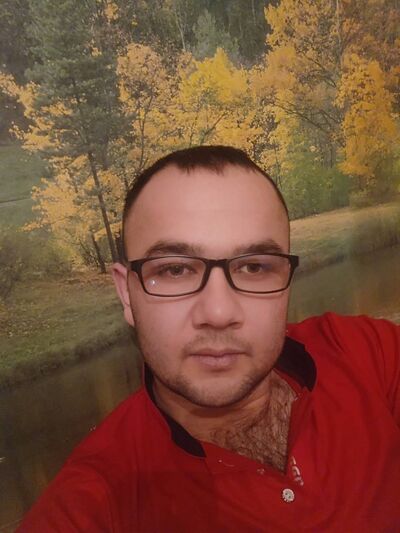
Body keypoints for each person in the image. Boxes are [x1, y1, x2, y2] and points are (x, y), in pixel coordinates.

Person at [19, 145, 400, 532]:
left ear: (286, 280)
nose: (218, 313)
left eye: (254, 267)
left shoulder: (369, 354)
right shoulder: (95, 505)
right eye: (174, 270)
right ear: (126, 294)